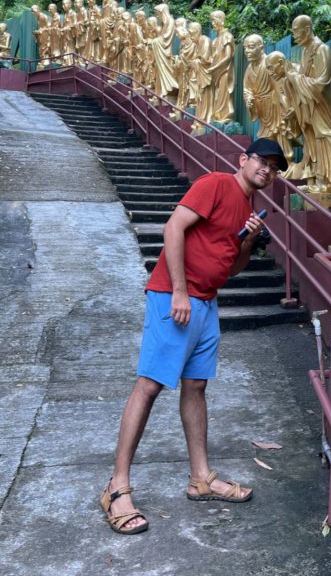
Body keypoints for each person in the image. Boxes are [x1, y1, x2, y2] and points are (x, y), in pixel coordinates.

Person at [100, 137, 288, 535]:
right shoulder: (216, 184)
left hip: (207, 303)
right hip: (175, 297)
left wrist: (250, 241)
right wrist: (180, 292)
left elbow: (232, 268)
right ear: (244, 160)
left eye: (274, 167)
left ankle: (200, 477)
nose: (267, 170)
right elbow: (174, 228)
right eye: (262, 161)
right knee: (149, 385)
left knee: (196, 386)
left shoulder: (249, 209)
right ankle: (117, 488)